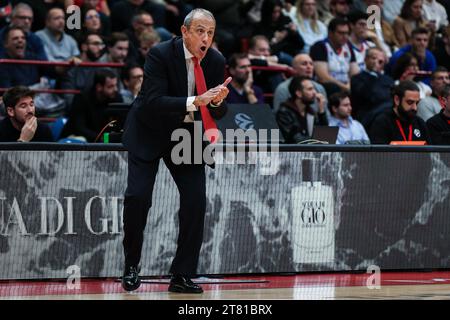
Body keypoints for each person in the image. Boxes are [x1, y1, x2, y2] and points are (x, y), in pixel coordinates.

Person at [121, 8, 230, 293]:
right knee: (138, 197)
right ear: (184, 32)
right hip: (150, 130)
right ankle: (131, 264)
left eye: (210, 33)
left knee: (196, 201)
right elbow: (153, 101)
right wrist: (197, 100)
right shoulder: (159, 54)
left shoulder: (216, 60)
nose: (206, 38)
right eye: (200, 31)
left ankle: (181, 274)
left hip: (187, 134)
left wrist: (217, 102)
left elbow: (217, 110)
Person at [61, 68, 123, 142]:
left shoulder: (116, 98)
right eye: (110, 86)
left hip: (103, 139)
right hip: (78, 138)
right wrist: (102, 139)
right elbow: (79, 128)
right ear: (99, 87)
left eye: (116, 85)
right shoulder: (82, 98)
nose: (115, 89)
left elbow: (117, 125)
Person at [310, 17, 360, 96]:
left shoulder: (348, 46)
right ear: (330, 33)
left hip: (346, 85)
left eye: (347, 33)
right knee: (333, 88)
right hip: (330, 86)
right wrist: (344, 87)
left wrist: (350, 85)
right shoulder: (320, 46)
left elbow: (355, 73)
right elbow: (323, 77)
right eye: (341, 33)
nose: (345, 36)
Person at [350, 47, 395, 128]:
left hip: (389, 114)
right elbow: (364, 97)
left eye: (380, 60)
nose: (376, 62)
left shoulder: (388, 79)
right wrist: (373, 74)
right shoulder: (357, 78)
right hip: (369, 116)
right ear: (365, 59)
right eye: (373, 58)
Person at [276, 75, 327, 143]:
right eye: (310, 89)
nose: (315, 92)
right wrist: (315, 141)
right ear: (299, 93)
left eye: (314, 89)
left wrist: (321, 111)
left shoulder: (310, 112)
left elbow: (325, 136)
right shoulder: (284, 112)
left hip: (308, 151)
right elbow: (295, 140)